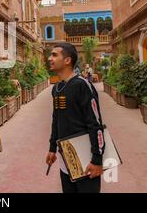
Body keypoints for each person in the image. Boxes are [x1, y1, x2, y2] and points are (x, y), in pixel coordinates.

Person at [46, 43, 105, 193]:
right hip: (65, 158)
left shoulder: (82, 85)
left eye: (54, 55)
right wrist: (52, 148)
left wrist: (97, 160)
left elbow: (95, 123)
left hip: (86, 160)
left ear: (67, 60)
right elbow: (56, 119)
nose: (49, 58)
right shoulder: (56, 88)